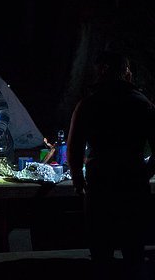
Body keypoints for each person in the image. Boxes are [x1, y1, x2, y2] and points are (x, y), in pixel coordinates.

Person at [67, 51, 155, 273]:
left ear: (100, 72)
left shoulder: (89, 104)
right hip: (133, 181)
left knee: (100, 252)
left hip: (100, 182)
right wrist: (146, 172)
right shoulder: (142, 104)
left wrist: (78, 177)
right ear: (127, 73)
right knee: (134, 252)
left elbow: (74, 146)